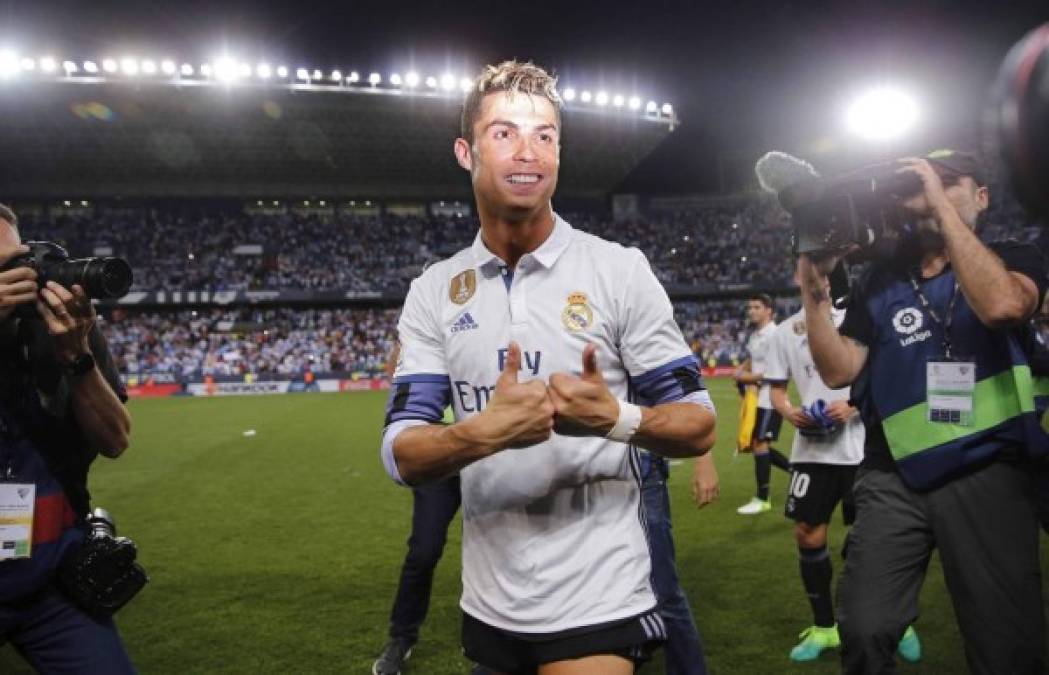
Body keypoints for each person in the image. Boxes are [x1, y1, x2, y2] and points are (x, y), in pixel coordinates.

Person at [379, 60, 717, 675]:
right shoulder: (433, 290)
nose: (527, 151)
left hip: (601, 592)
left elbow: (698, 424)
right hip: (489, 601)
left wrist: (616, 419)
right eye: (504, 132)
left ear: (560, 151)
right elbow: (400, 451)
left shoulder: (618, 270)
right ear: (466, 150)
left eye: (544, 135)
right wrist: (483, 431)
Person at [797, 149, 1047, 673]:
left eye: (951, 182)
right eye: (919, 185)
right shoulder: (883, 281)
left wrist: (938, 200)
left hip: (988, 470)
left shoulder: (1015, 255)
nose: (929, 193)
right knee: (864, 628)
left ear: (982, 197)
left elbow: (1003, 306)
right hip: (893, 477)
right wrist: (814, 290)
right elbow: (839, 370)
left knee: (1005, 648)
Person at [0, 204, 136, 673]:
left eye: (19, 261)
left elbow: (115, 439)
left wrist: (77, 356)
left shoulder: (56, 324)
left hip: (47, 571)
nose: (20, 277)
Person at [765, 289, 920, 664]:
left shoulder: (860, 318)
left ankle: (897, 621)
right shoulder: (784, 331)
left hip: (863, 447)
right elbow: (776, 389)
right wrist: (789, 413)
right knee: (807, 531)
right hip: (811, 452)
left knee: (875, 537)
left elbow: (892, 374)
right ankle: (824, 626)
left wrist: (852, 406)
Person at [372, 342, 462, 675]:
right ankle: (401, 638)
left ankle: (496, 634)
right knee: (424, 550)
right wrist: (406, 343)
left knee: (495, 544)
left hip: (485, 446)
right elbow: (395, 370)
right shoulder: (427, 318)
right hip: (437, 450)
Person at [639, 449, 718, 675]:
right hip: (567, 473)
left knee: (662, 589)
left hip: (640, 468)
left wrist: (703, 456)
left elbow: (696, 412)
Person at [734, 294, 791, 515]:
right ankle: (794, 470)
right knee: (758, 443)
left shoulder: (775, 335)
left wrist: (746, 378)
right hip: (757, 398)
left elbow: (778, 370)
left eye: (757, 307)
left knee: (759, 443)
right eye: (750, 307)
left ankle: (763, 498)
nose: (752, 311)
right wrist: (742, 368)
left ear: (769, 311)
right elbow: (754, 358)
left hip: (771, 398)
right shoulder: (755, 335)